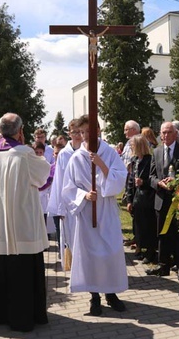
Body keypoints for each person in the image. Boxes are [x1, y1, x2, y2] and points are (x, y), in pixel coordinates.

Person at [0, 113, 51, 332]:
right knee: (21, 273)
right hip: (20, 224)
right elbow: (43, 175)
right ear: (19, 131)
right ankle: (22, 317)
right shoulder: (24, 154)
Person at [61, 115, 129, 316]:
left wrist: (102, 165)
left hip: (106, 210)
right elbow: (68, 189)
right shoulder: (76, 158)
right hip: (87, 213)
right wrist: (83, 195)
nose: (84, 136)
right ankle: (94, 296)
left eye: (88, 131)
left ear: (98, 130)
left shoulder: (109, 153)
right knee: (90, 255)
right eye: (81, 132)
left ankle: (111, 294)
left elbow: (120, 178)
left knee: (110, 252)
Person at [146, 122, 179, 281]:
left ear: (176, 134)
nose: (165, 136)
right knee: (162, 232)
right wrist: (159, 183)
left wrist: (177, 181)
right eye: (162, 133)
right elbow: (151, 177)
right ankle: (163, 264)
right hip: (161, 199)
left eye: (168, 132)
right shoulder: (156, 151)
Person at [47, 119, 83, 262]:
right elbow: (59, 182)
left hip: (85, 199)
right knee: (71, 235)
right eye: (74, 132)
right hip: (69, 203)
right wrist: (60, 208)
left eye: (80, 132)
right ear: (69, 133)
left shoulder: (87, 150)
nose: (77, 135)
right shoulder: (64, 154)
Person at [125, 135, 157, 263]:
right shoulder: (134, 161)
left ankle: (150, 251)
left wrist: (144, 182)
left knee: (148, 225)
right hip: (136, 198)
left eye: (133, 145)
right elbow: (130, 181)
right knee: (137, 225)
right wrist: (128, 200)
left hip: (147, 198)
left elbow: (154, 178)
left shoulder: (150, 160)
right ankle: (139, 247)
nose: (131, 147)